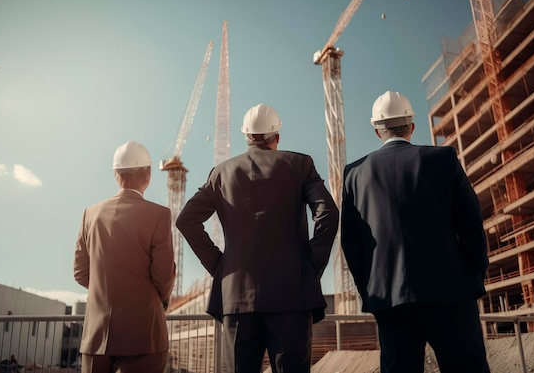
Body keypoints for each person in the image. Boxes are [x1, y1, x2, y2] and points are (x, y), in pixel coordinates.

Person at [176, 103, 339, 373]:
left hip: (236, 298)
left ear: (246, 137)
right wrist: (310, 266)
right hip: (291, 296)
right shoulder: (300, 165)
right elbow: (328, 213)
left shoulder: (221, 174)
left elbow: (186, 220)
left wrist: (220, 266)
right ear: (276, 137)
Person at [340, 91, 491, 373]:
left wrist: (372, 292)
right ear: (412, 125)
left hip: (388, 300)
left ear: (376, 131)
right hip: (451, 293)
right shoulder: (443, 160)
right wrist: (473, 275)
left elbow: (351, 243)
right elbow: (471, 223)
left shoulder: (354, 174)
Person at [74, 140, 176, 373]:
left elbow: (81, 273)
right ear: (148, 173)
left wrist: (108, 290)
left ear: (116, 174)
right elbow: (163, 276)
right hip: (143, 334)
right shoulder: (159, 215)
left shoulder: (90, 214)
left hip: (96, 336)